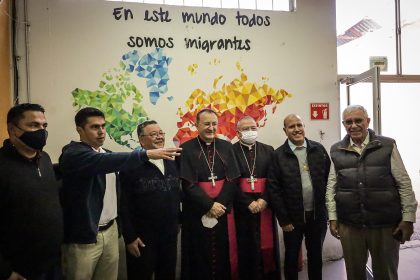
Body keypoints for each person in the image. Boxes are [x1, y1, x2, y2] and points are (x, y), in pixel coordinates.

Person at [59, 107, 181, 280]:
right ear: (80, 130)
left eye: (103, 126)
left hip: (110, 232)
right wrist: (145, 155)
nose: (101, 131)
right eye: (95, 127)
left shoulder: (107, 155)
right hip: (85, 237)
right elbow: (104, 166)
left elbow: (118, 197)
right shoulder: (74, 154)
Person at [326, 104, 418, 280]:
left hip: (385, 224)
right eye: (348, 122)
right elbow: (331, 187)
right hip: (350, 224)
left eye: (358, 120)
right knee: (354, 274)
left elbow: (404, 183)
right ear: (344, 124)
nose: (353, 125)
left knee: (386, 273)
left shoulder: (387, 145)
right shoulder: (336, 150)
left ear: (367, 121)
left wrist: (408, 218)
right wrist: (332, 217)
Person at [0, 103, 63, 280]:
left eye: (44, 126)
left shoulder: (44, 159)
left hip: (52, 263)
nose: (41, 131)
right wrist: (5, 271)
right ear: (13, 129)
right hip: (19, 270)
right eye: (34, 125)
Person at [178, 108, 241, 280]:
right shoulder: (186, 149)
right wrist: (209, 205)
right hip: (197, 211)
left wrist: (220, 205)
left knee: (222, 250)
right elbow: (187, 183)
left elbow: (233, 178)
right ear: (196, 125)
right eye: (206, 124)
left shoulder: (226, 147)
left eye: (214, 124)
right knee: (199, 251)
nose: (211, 128)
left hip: (222, 209)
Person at [267, 114, 331, 280]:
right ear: (285, 131)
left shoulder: (319, 150)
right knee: (291, 258)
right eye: (291, 126)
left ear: (304, 126)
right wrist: (283, 219)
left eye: (299, 125)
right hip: (292, 219)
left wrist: (328, 212)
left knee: (316, 256)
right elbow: (274, 190)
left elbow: (329, 181)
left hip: (317, 216)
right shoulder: (278, 155)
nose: (296, 129)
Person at [120, 120, 181, 280]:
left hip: (169, 234)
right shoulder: (130, 165)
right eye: (153, 134)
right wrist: (130, 237)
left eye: (161, 133)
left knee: (167, 274)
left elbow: (176, 195)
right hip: (142, 238)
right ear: (141, 140)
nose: (159, 137)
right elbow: (123, 204)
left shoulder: (172, 160)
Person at [232, 116, 280, 280]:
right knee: (246, 246)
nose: (250, 131)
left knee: (267, 245)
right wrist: (247, 202)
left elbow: (274, 178)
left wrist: (264, 199)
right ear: (238, 133)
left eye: (253, 128)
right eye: (245, 129)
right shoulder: (231, 151)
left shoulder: (268, 150)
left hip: (265, 206)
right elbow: (230, 182)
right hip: (242, 208)